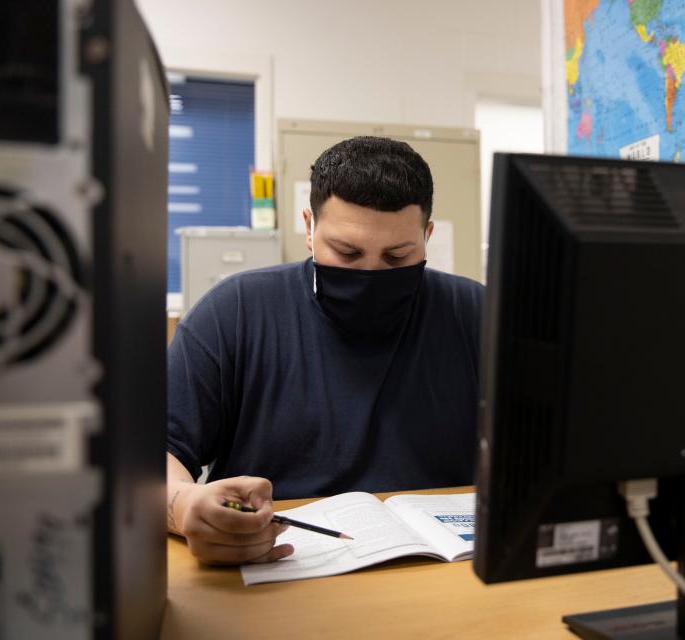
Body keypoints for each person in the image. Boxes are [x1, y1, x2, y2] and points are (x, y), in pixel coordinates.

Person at [165, 137, 483, 564]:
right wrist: (184, 506)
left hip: (443, 574)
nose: (371, 274)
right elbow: (153, 455)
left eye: (396, 256)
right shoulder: (235, 311)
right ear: (309, 228)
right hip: (275, 565)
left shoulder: (477, 314)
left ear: (426, 237)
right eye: (347, 253)